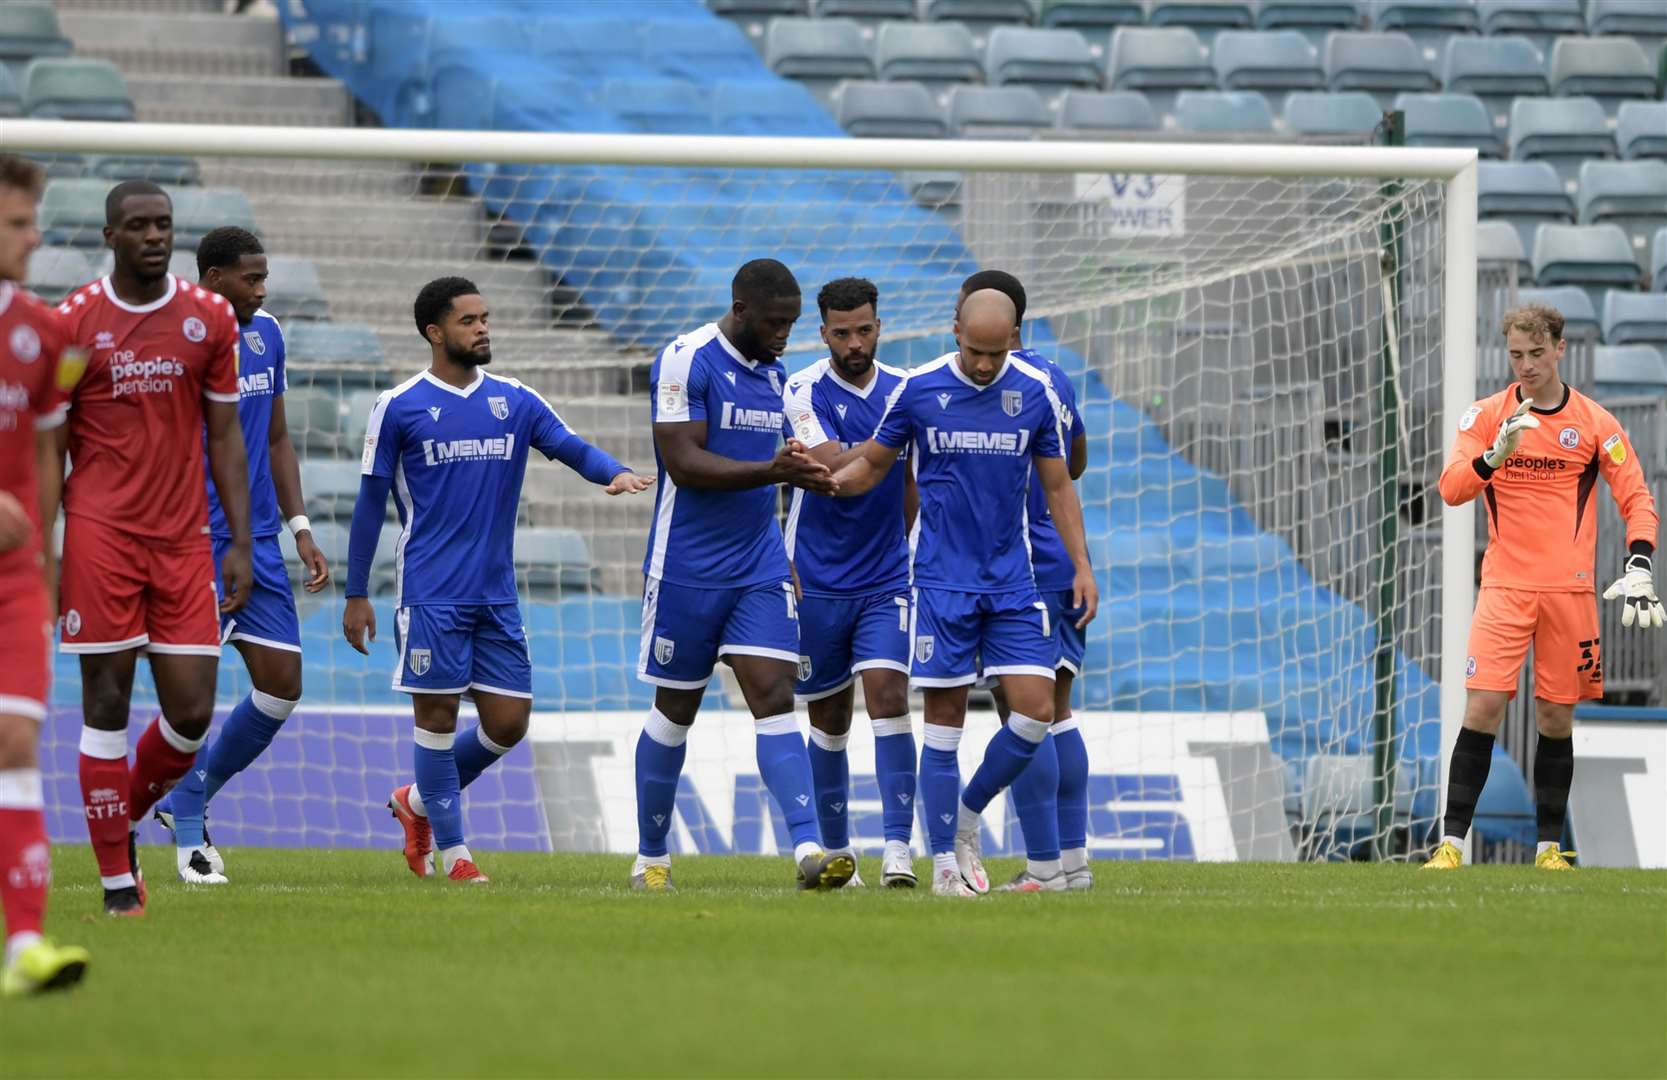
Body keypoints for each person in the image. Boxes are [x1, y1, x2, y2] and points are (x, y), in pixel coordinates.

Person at [343, 277, 652, 883]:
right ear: (435, 333)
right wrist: (357, 593)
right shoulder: (400, 405)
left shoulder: (515, 399)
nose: (483, 328)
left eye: (486, 317)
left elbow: (566, 446)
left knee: (508, 722)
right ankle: (456, 855)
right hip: (430, 589)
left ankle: (416, 800)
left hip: (495, 592)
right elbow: (367, 504)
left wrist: (612, 473)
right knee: (435, 720)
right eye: (468, 320)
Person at [830, 288, 1098, 897]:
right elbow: (874, 462)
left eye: (996, 353)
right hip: (940, 583)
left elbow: (1059, 486)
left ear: (1014, 339)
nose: (983, 365)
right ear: (955, 331)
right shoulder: (919, 388)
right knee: (944, 722)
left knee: (1035, 709)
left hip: (1013, 582)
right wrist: (830, 480)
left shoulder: (1033, 391)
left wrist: (1082, 565)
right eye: (975, 351)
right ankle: (947, 869)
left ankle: (967, 818)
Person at [55, 180, 252, 916]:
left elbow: (227, 435)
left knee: (191, 712)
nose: (153, 235)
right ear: (110, 236)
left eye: (163, 224)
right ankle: (116, 886)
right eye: (137, 225)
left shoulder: (208, 319)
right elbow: (50, 443)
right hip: (101, 535)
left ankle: (123, 818)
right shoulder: (74, 324)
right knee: (105, 703)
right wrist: (47, 549)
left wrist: (239, 538)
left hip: (182, 538)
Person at [631, 258, 852, 892]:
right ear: (741, 311)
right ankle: (651, 858)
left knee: (776, 694)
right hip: (687, 568)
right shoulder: (685, 360)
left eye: (792, 322)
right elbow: (683, 462)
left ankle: (809, 850)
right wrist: (775, 473)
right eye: (776, 322)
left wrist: (886, 443)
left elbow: (815, 451)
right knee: (676, 709)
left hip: (759, 564)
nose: (786, 333)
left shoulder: (777, 375)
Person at [1427, 302, 1660, 871]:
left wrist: (1640, 564)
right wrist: (1492, 457)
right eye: (1515, 355)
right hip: (1505, 587)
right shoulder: (1486, 417)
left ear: (1559, 349)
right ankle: (1451, 846)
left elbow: (1637, 498)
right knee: (1481, 706)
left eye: (1536, 353)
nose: (1526, 365)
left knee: (1556, 719)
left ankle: (1550, 849)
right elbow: (1451, 488)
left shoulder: (1598, 423)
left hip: (1570, 593)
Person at [152, 226, 331, 884]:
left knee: (282, 686)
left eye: (264, 277)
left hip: (257, 539)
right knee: (189, 700)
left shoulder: (267, 335)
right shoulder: (173, 339)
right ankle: (189, 839)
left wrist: (301, 526)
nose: (261, 288)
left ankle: (188, 795)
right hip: (191, 540)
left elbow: (277, 437)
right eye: (249, 278)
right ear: (211, 276)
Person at [957, 270, 1093, 893]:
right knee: (1057, 711)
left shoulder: (1005, 383)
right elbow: (1076, 461)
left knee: (1025, 711)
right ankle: (1072, 865)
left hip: (1027, 563)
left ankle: (1044, 869)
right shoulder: (1055, 377)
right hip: (1060, 559)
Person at [780, 277, 918, 887]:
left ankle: (897, 850)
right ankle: (838, 856)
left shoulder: (906, 389)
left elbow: (907, 486)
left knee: (889, 698)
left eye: (864, 330)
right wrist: (885, 447)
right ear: (823, 333)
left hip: (886, 575)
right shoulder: (801, 387)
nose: (855, 342)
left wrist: (902, 543)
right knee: (829, 719)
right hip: (815, 576)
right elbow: (825, 462)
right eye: (842, 333)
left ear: (879, 326)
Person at [0, 153, 90, 995]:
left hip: (13, 579)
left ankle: (24, 945)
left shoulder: (48, 335)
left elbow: (44, 452)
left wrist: (50, 564)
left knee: (15, 740)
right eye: (17, 224)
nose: (34, 238)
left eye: (32, 220)